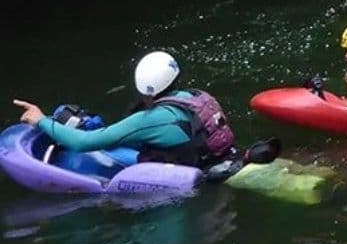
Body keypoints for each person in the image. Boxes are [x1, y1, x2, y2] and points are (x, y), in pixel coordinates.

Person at [12, 51, 236, 167]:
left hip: (195, 176)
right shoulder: (198, 97)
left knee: (93, 151)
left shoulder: (151, 118)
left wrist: (40, 119)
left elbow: (82, 143)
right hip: (220, 159)